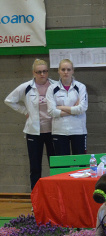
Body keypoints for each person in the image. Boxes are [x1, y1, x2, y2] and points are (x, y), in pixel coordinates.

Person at [4, 59, 56, 190]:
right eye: (39, 72)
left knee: (55, 165)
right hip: (34, 132)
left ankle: (56, 195)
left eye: (45, 71)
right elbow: (9, 100)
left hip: (54, 130)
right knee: (35, 167)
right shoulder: (26, 87)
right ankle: (36, 198)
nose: (42, 74)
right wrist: (25, 111)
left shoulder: (55, 85)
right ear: (34, 73)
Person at [46, 59, 88, 156]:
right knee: (62, 165)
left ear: (73, 71)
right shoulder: (52, 89)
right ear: (58, 71)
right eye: (63, 69)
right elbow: (51, 111)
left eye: (68, 69)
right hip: (59, 131)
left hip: (78, 130)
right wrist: (73, 109)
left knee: (81, 165)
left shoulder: (81, 87)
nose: (66, 72)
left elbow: (82, 108)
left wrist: (60, 107)